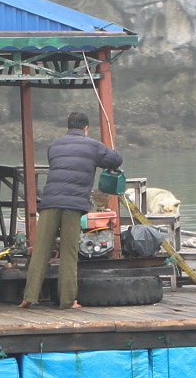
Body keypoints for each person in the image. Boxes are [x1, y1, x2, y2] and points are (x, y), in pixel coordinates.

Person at [21, 112, 122, 309]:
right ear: (86, 128)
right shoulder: (93, 146)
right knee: (69, 253)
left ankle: (29, 297)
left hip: (50, 202)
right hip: (73, 206)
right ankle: (67, 301)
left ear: (67, 128)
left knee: (41, 250)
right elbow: (115, 160)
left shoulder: (55, 145)